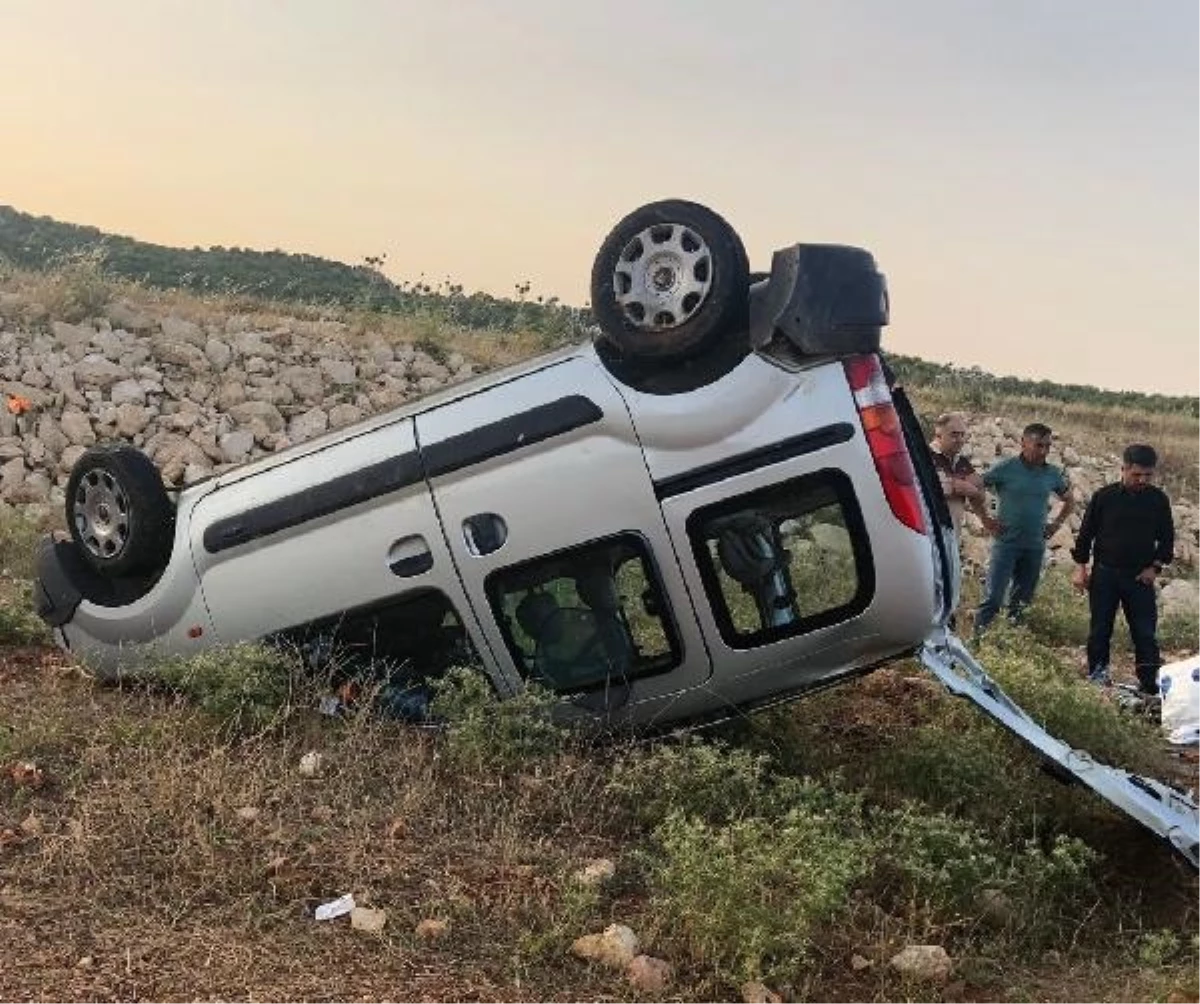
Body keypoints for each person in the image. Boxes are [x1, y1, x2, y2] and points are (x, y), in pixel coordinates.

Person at [1070, 444, 1175, 695]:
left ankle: (1150, 685)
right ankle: (1098, 679)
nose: (1142, 480)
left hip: (1140, 578)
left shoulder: (1158, 500)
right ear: (1123, 469)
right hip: (1105, 574)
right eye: (1136, 474)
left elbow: (1168, 539)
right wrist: (1081, 568)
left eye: (1148, 476)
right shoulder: (1104, 497)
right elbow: (1085, 535)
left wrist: (1155, 567)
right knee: (1099, 630)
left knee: (1145, 633)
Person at [974, 422, 1074, 633]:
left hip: (1034, 546)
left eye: (1047, 446)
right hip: (1006, 543)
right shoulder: (1005, 468)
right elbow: (976, 489)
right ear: (1023, 443)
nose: (1044, 451)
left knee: (1021, 602)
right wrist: (985, 519)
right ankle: (977, 642)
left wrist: (1055, 524)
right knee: (993, 598)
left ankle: (1011, 644)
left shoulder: (1052, 473)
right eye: (1038, 445)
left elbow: (1069, 500)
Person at [928, 412, 984, 536]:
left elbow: (980, 491)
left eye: (962, 435)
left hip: (953, 536)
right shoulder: (925, 457)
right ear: (938, 435)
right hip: (930, 536)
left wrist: (970, 490)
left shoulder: (962, 461)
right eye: (954, 434)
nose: (959, 440)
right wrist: (954, 486)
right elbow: (926, 487)